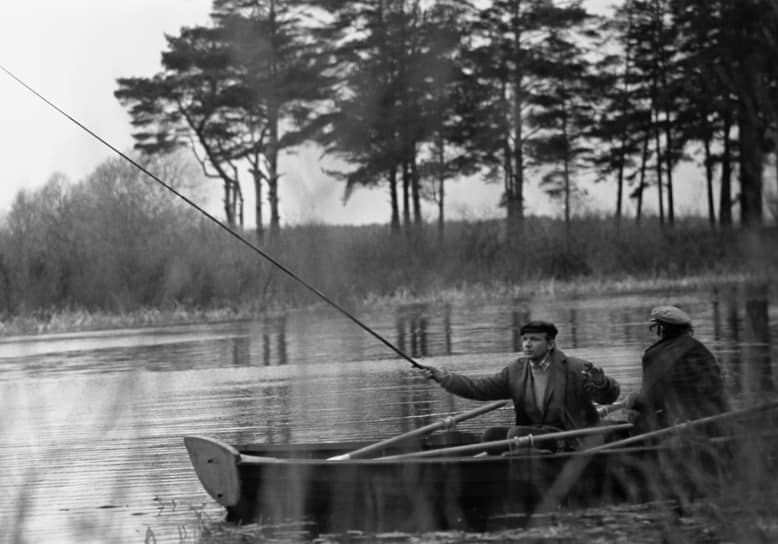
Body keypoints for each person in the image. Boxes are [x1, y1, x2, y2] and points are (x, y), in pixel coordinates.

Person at [422, 320, 620, 439]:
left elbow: (607, 397)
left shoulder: (576, 368)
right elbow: (479, 388)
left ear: (550, 344)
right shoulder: (515, 371)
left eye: (534, 340)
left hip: (571, 437)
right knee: (491, 435)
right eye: (525, 339)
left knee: (516, 435)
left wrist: (602, 384)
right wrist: (444, 378)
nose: (527, 345)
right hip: (533, 436)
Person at [625, 305, 728, 432]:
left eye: (654, 328)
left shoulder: (653, 355)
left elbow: (649, 401)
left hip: (681, 425)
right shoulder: (702, 350)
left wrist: (633, 400)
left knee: (635, 416)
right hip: (715, 421)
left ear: (661, 328)